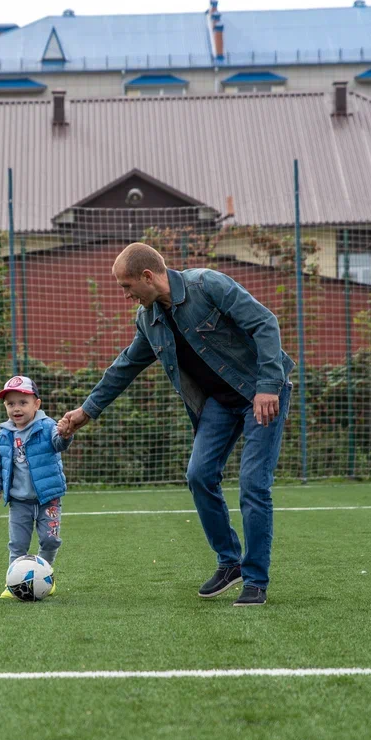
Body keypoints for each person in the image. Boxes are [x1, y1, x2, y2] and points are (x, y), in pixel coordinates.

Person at [57, 243, 294, 607]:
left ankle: (256, 581)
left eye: (126, 286)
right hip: (218, 404)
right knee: (198, 475)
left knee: (252, 484)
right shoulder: (148, 320)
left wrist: (266, 386)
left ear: (147, 277)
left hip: (261, 394)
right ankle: (230, 563)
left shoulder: (208, 285)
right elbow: (124, 367)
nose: (125, 295)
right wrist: (85, 412)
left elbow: (265, 323)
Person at [0, 375, 71, 599]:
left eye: (23, 403)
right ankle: (13, 583)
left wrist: (65, 433)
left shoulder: (47, 426)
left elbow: (58, 443)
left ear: (37, 404)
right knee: (17, 544)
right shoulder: (3, 435)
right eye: (10, 403)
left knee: (50, 539)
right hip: (19, 501)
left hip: (48, 498)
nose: (16, 408)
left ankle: (46, 577)